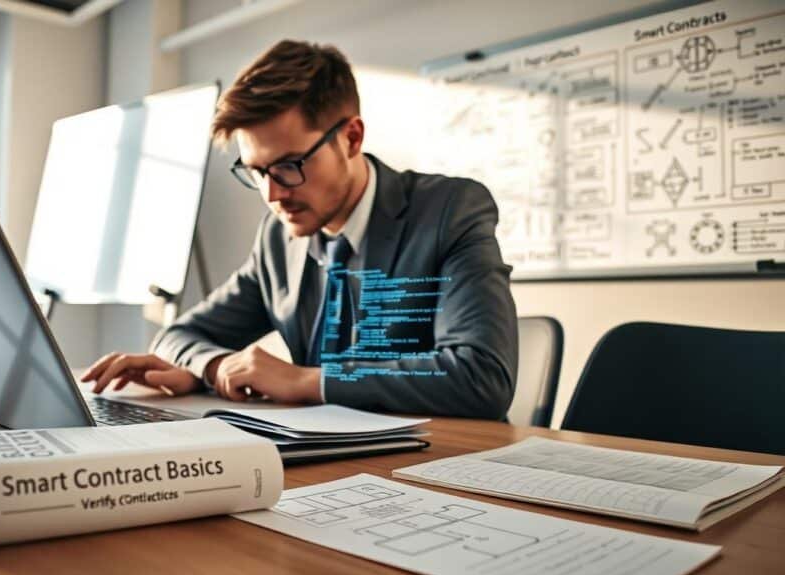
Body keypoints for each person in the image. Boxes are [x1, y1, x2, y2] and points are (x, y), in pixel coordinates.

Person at [81, 40, 518, 418]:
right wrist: (213, 370)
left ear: (351, 138)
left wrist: (308, 381)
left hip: (441, 465)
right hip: (324, 468)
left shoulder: (448, 211)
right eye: (255, 171)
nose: (272, 195)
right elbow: (178, 335)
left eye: (289, 165)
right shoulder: (278, 241)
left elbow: (482, 375)